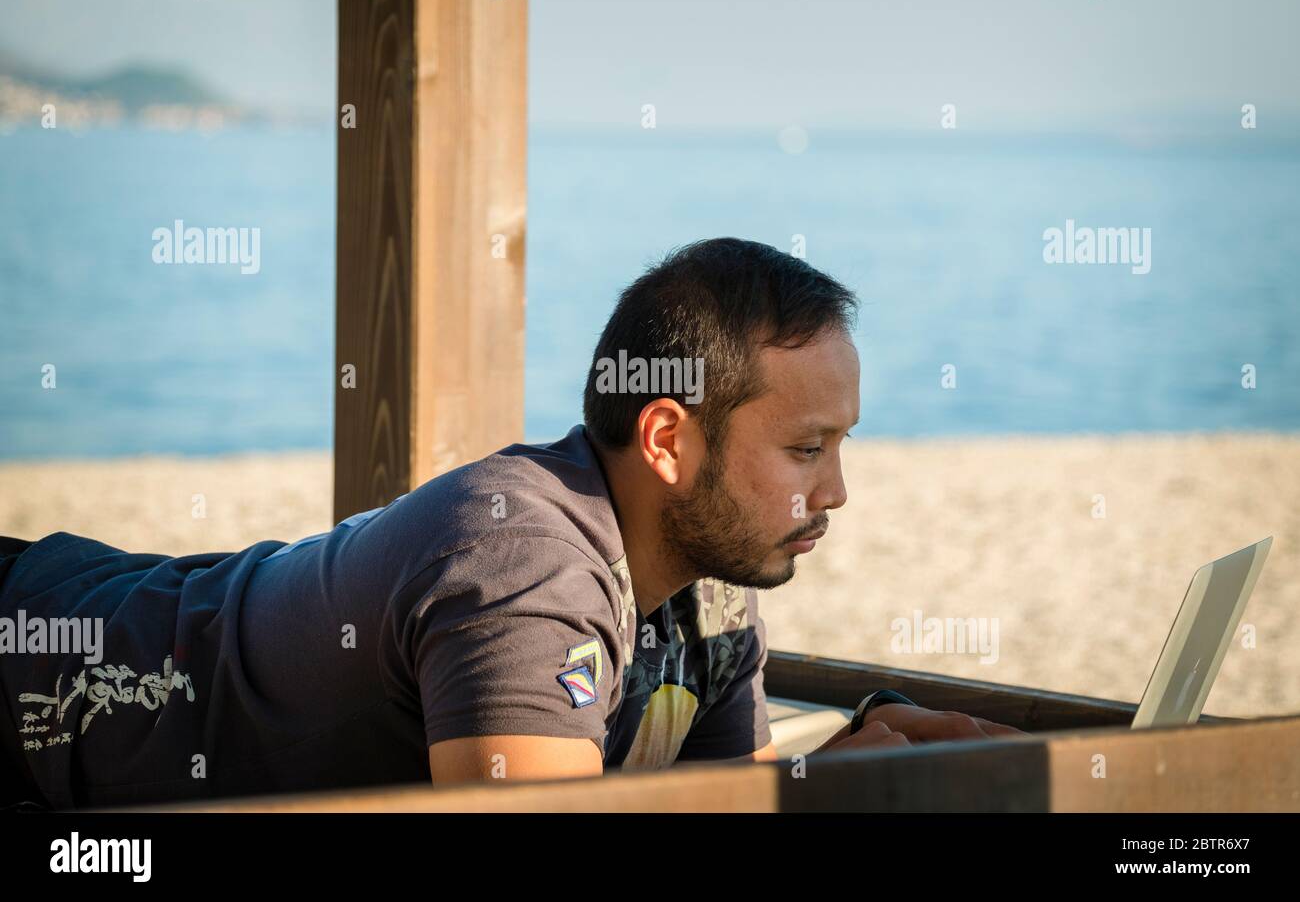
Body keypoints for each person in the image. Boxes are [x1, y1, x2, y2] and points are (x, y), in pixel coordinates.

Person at [0, 237, 1024, 810]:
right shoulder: (522, 560)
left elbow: (711, 795)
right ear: (666, 440)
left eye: (840, 445)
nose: (835, 490)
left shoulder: (710, 595)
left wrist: (828, 770)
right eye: (806, 449)